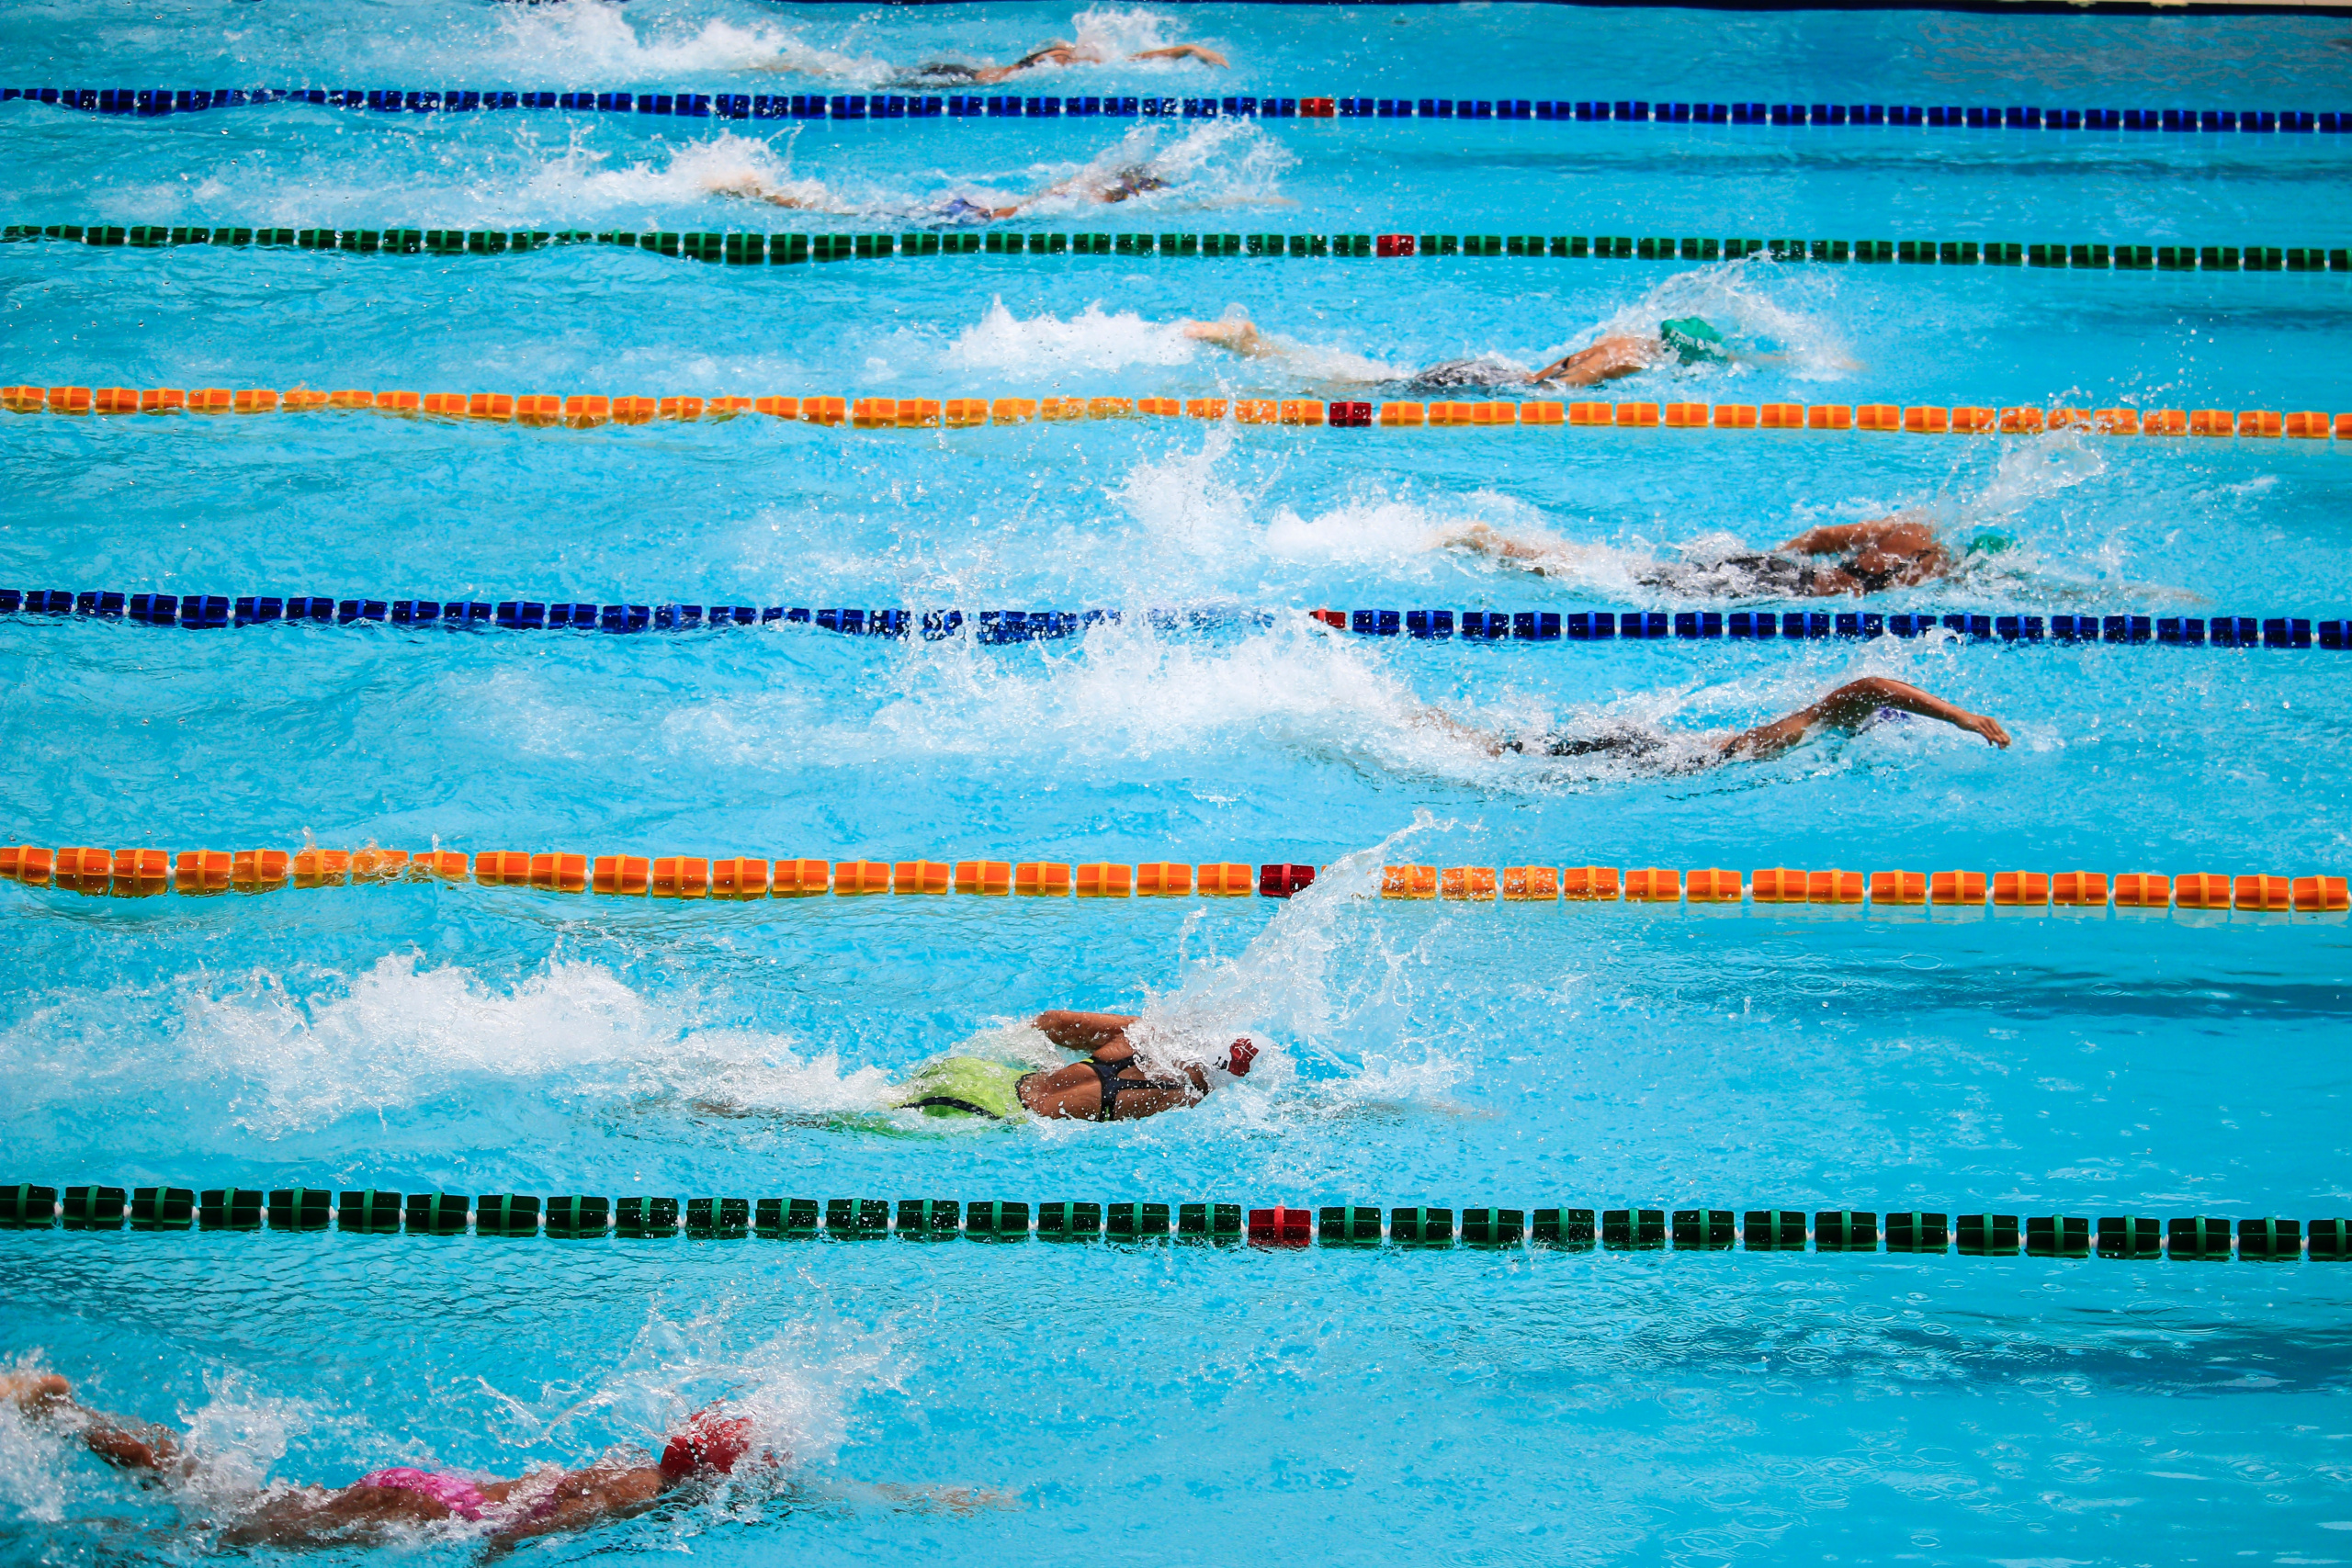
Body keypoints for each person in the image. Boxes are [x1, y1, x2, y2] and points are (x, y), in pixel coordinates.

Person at [0, 1371, 768, 1553]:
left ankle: (67, 1414)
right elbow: (524, 1527)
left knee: (239, 1494)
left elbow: (543, 1491)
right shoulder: (640, 1495)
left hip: (435, 1489)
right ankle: (85, 1535)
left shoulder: (637, 1463)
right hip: (434, 1512)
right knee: (226, 1530)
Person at [1415, 675, 2010, 772]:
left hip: (1664, 752)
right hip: (1658, 754)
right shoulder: (1816, 723)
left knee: (1518, 751)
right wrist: (1961, 717)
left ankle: (1446, 729)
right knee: (1502, 755)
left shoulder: (1813, 735)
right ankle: (1437, 728)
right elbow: (1871, 686)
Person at [1440, 516, 1992, 597]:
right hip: (1782, 589)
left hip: (1779, 572)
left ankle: (1503, 544)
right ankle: (1497, 545)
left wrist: (1775, 555)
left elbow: (1823, 534)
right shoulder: (1935, 568)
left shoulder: (1909, 529)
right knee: (1633, 584)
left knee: (1635, 572)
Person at [1181, 314, 1736, 389]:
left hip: (1489, 368)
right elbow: (1555, 391)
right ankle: (1250, 348)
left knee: (1375, 380)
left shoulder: (1627, 338)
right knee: (1360, 391)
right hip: (1495, 384)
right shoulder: (1631, 358)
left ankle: (1256, 346)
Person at [891, 1010, 1257, 1123]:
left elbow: (1053, 1023)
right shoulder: (1186, 1099)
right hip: (981, 1115)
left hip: (977, 1073)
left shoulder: (1145, 1037)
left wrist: (1039, 1060)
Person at [709, 162, 1170, 221]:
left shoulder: (1077, 190)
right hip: (970, 218)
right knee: (844, 216)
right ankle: (757, 192)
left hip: (969, 209)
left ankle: (759, 191)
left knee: (848, 212)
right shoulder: (1086, 201)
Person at [889, 40, 1228, 88]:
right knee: (885, 84)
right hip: (959, 81)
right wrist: (1186, 49)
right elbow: (1133, 60)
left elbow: (1132, 60)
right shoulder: (1062, 57)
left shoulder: (1065, 54)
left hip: (962, 74)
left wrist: (1187, 49)